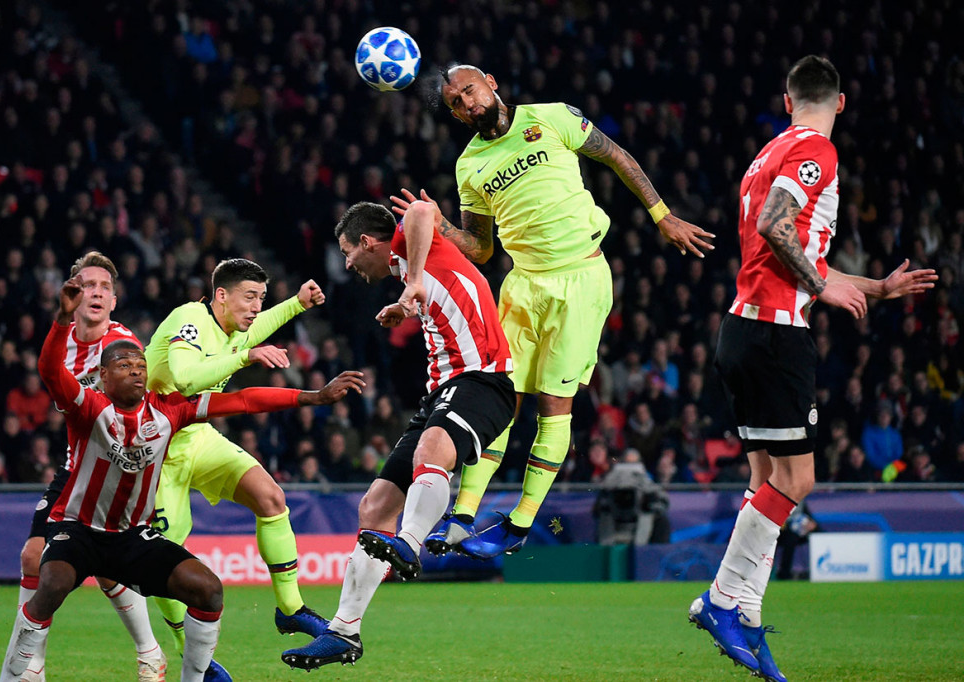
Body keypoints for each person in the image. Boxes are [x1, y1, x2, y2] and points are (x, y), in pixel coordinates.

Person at [392, 63, 714, 560]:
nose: (467, 104)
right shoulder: (468, 166)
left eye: (470, 91)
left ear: (492, 83)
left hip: (582, 280)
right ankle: (461, 515)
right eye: (456, 103)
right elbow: (479, 248)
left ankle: (519, 523)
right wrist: (439, 225)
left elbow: (617, 157)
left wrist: (662, 216)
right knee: (499, 399)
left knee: (554, 406)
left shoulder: (554, 118)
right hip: (522, 285)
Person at [686, 56, 937, 682]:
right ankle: (720, 602)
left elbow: (790, 247)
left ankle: (744, 614)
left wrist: (875, 287)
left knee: (766, 482)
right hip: (774, 337)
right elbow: (778, 229)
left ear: (788, 98)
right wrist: (821, 287)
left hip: (744, 330)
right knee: (797, 483)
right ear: (841, 103)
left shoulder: (765, 153)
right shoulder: (815, 152)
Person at [0, 275, 363, 682]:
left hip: (134, 530)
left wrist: (311, 394)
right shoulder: (89, 407)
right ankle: (19, 672)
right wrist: (63, 320)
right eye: (125, 366)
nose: (138, 372)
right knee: (50, 579)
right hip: (82, 530)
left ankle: (211, 662)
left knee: (215, 577)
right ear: (103, 378)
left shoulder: (168, 410)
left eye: (140, 366)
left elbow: (241, 400)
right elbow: (51, 369)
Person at [281, 200, 514, 670]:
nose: (348, 264)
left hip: (483, 379)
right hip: (443, 391)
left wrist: (412, 282)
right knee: (375, 506)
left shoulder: (412, 247)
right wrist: (406, 304)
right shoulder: (412, 269)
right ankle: (343, 633)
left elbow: (423, 211)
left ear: (368, 242)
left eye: (349, 253)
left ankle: (409, 543)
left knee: (432, 452)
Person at [144, 259, 333, 659]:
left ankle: (291, 609)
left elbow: (256, 330)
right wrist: (247, 358)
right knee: (165, 553)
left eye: (261, 298)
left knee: (271, 499)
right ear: (221, 296)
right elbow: (185, 378)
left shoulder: (234, 328)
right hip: (152, 450)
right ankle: (187, 649)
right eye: (249, 297)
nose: (255, 306)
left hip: (195, 436)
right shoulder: (191, 318)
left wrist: (297, 303)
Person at [11, 252, 167, 682]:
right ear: (72, 294)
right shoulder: (60, 340)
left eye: (104, 287)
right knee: (34, 557)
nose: (96, 292)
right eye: (87, 285)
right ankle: (35, 666)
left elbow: (147, 413)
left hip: (121, 467)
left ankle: (147, 651)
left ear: (113, 301)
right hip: (77, 467)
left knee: (99, 564)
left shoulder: (124, 345)